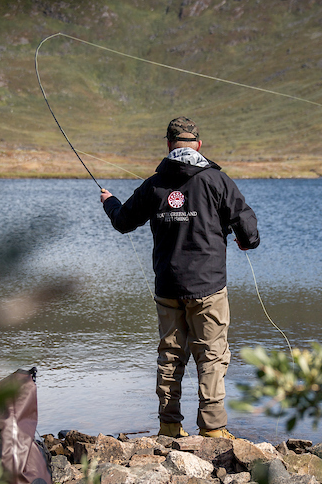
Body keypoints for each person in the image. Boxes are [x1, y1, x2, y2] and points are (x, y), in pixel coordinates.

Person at [99, 116, 261, 439]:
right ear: (198, 145)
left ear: (169, 145)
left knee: (170, 356)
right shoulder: (218, 182)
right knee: (211, 356)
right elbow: (250, 235)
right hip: (209, 288)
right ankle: (213, 430)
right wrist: (242, 240)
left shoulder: (154, 185)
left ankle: (170, 426)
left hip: (168, 287)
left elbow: (122, 220)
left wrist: (109, 202)